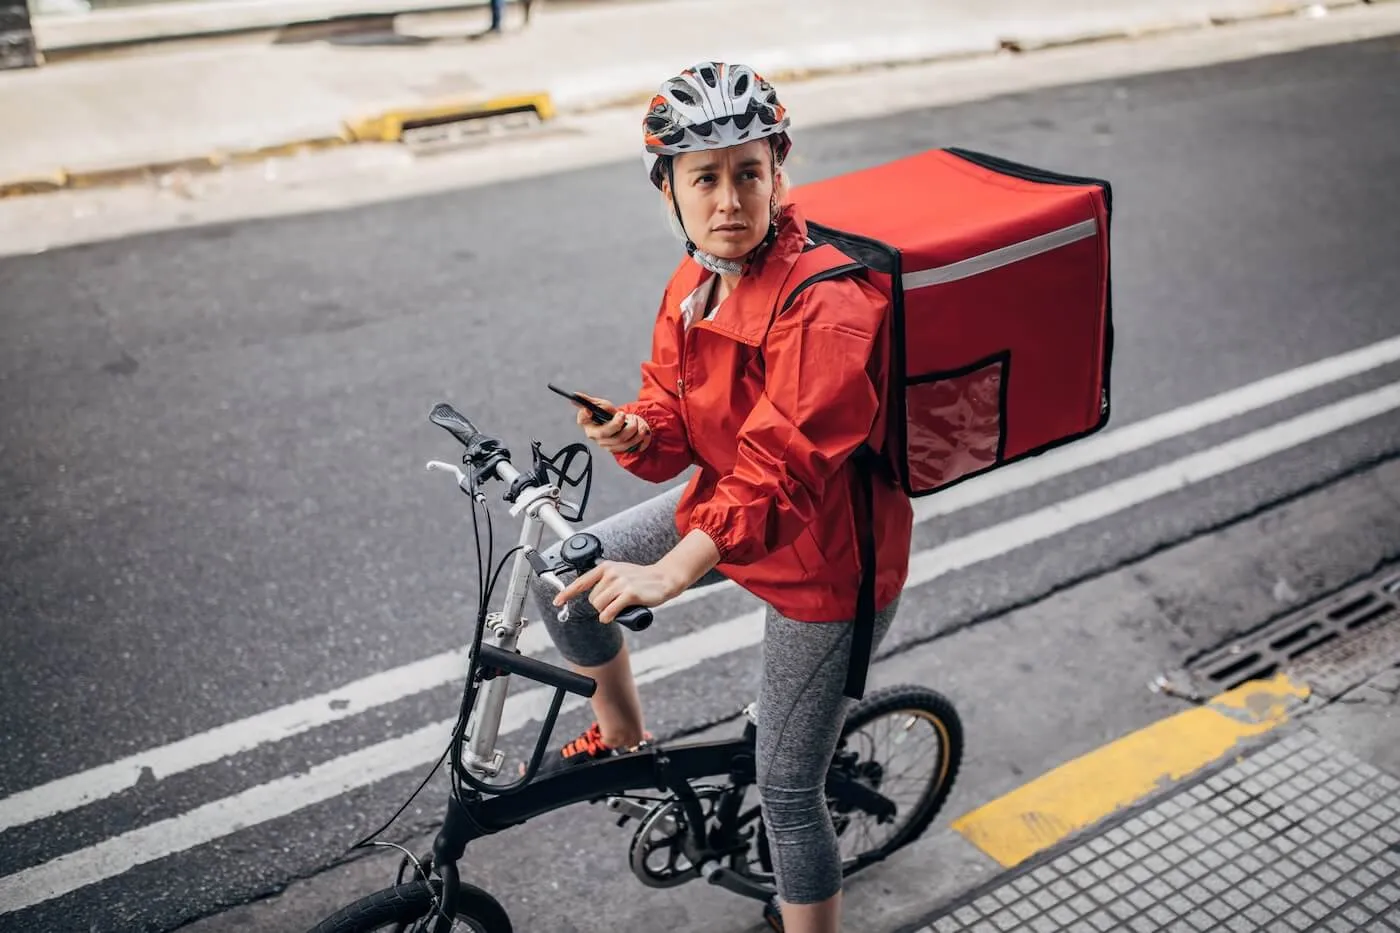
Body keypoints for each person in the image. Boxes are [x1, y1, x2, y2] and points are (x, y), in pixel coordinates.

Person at [527, 61, 914, 933]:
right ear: (668, 189)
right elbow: (676, 415)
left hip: (828, 563)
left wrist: (674, 566)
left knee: (787, 788)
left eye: (750, 171)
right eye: (705, 177)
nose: (730, 198)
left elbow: (784, 465)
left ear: (782, 170)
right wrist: (637, 430)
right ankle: (623, 735)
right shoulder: (692, 281)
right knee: (567, 579)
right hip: (724, 513)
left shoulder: (833, 301)